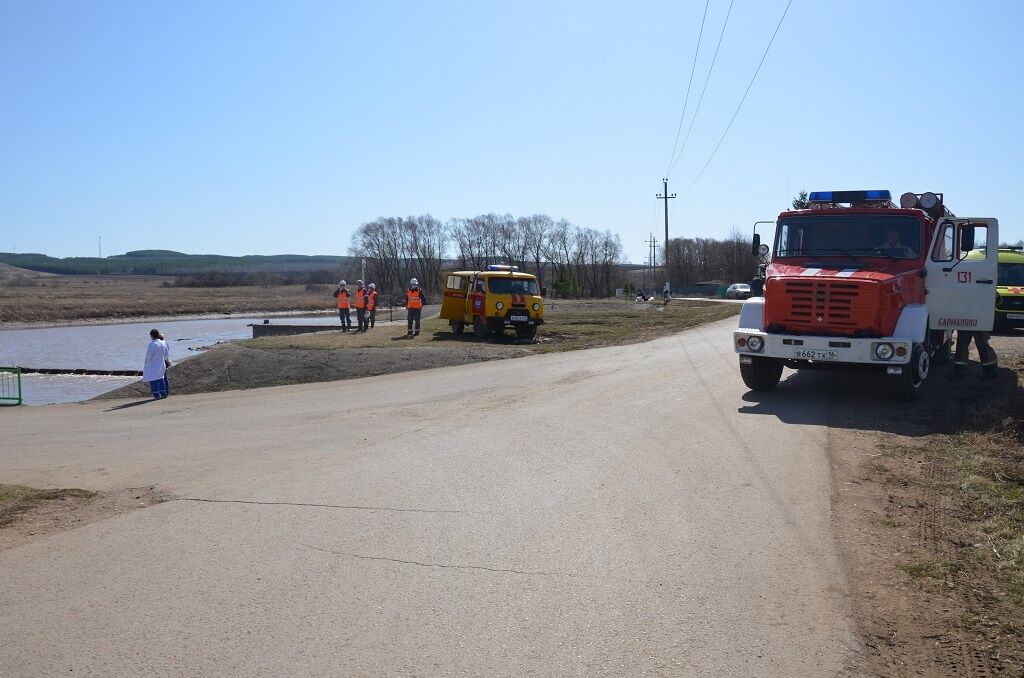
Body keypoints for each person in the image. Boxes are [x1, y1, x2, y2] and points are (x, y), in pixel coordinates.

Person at [143, 328, 170, 399]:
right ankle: (163, 393)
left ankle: (156, 395)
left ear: (151, 336)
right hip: (161, 364)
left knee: (153, 380)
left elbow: (148, 356)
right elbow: (166, 355)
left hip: (153, 365)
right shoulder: (163, 343)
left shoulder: (152, 344)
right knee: (161, 379)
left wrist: (147, 363)